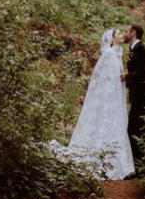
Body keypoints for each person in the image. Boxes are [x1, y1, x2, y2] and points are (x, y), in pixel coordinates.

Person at [51, 29, 135, 180]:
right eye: (119, 34)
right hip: (109, 99)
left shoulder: (117, 53)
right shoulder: (109, 54)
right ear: (112, 39)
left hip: (116, 97)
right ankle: (104, 161)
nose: (123, 36)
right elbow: (105, 80)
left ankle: (116, 160)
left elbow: (116, 77)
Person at [121, 24, 145, 167]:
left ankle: (139, 166)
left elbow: (144, 72)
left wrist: (127, 77)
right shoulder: (134, 49)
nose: (124, 34)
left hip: (144, 98)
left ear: (133, 33)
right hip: (138, 97)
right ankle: (139, 165)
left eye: (126, 31)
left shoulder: (141, 49)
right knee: (137, 130)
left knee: (136, 130)